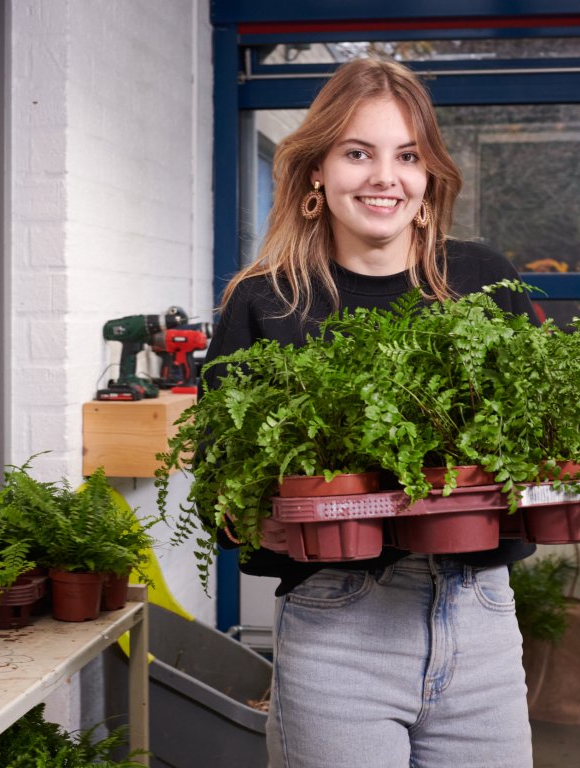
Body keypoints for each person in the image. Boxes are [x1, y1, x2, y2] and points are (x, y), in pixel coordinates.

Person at [202, 57, 539, 768]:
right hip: (337, 630)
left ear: (429, 175)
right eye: (359, 152)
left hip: (478, 619)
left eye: (407, 156)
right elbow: (217, 493)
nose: (386, 177)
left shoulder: (482, 280)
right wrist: (259, 513)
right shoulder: (266, 300)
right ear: (317, 170)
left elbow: (539, 440)